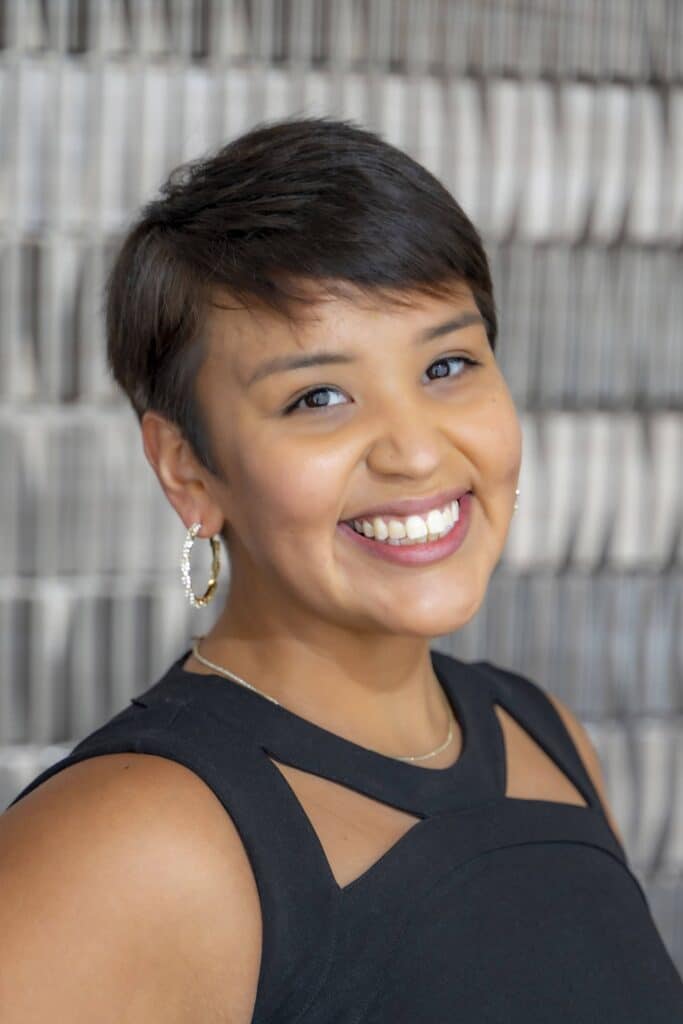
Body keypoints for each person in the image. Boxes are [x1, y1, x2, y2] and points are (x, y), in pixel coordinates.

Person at [2, 115, 682, 1023]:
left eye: (447, 365)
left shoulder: (543, 737)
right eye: (318, 397)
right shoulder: (131, 845)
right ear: (188, 468)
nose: (413, 452)